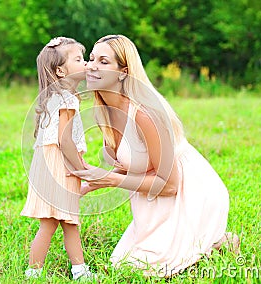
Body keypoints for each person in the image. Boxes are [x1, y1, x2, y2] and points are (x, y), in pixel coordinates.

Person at [72, 35, 239, 277]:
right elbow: (134, 163)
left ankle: (215, 239)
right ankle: (203, 242)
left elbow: (170, 185)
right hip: (150, 202)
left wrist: (111, 180)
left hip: (187, 194)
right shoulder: (103, 112)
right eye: (91, 59)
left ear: (123, 72)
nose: (91, 66)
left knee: (143, 268)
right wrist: (87, 185)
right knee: (122, 263)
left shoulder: (146, 114)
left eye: (103, 61)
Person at [20, 37, 95, 280]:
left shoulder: (55, 97)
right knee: (65, 223)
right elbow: (65, 141)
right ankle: (76, 271)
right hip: (60, 168)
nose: (85, 63)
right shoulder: (68, 99)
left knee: (54, 224)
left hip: (47, 167)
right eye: (78, 59)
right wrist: (81, 168)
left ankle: (40, 271)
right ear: (61, 70)